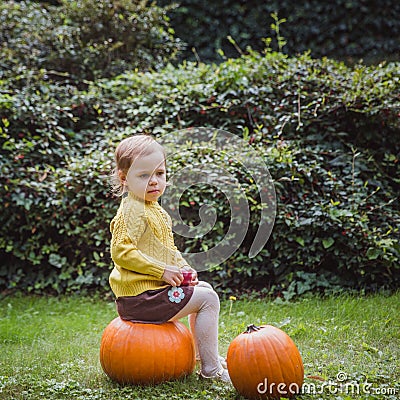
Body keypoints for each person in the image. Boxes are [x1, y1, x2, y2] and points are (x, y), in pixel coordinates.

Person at [108, 134, 230, 383]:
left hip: (152, 293)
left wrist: (183, 268)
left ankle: (202, 356)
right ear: (124, 179)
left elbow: (167, 250)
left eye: (160, 173)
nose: (154, 181)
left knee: (202, 288)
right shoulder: (132, 210)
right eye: (144, 176)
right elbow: (121, 251)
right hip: (140, 299)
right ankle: (211, 370)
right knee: (208, 299)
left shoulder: (155, 210)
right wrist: (161, 271)